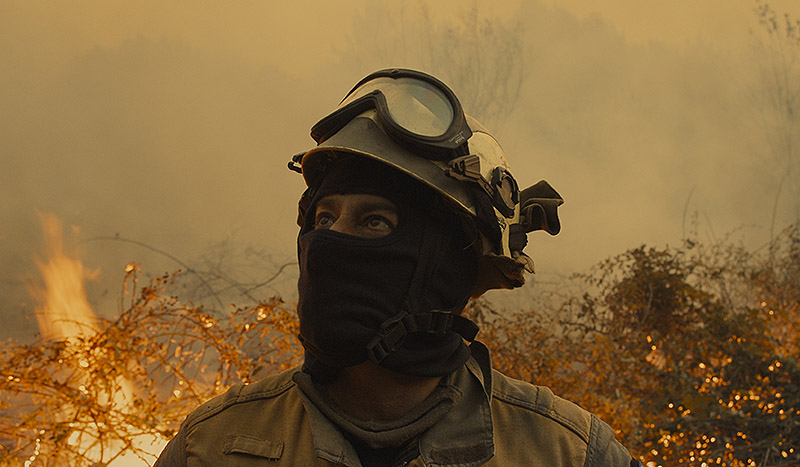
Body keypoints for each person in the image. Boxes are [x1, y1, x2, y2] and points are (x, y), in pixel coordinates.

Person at [154, 68, 640, 466]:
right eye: (324, 218)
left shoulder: (566, 454)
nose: (330, 242)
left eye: (374, 222)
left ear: (450, 265)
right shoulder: (210, 449)